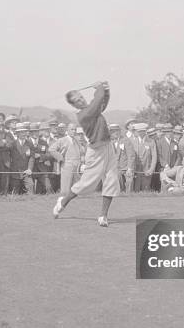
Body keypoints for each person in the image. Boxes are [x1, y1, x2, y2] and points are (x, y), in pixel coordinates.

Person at [53, 81, 120, 227]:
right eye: (77, 100)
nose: (81, 100)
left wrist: (106, 91)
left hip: (108, 147)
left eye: (81, 97)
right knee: (86, 184)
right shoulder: (83, 115)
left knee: (112, 180)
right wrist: (100, 88)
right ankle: (63, 201)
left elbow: (102, 103)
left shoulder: (91, 108)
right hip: (95, 152)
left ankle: (103, 216)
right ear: (74, 105)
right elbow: (97, 101)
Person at [49, 123, 84, 195]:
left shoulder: (77, 140)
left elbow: (82, 152)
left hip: (77, 167)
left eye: (75, 130)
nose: (74, 131)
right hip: (66, 166)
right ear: (67, 130)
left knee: (77, 189)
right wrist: (60, 158)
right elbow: (51, 149)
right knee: (65, 189)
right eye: (72, 129)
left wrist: (82, 163)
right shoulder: (62, 140)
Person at [8, 123, 35, 194]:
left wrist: (29, 169)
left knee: (31, 185)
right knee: (14, 191)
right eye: (21, 132)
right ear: (17, 133)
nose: (24, 134)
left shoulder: (29, 144)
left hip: (26, 172)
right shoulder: (12, 144)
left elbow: (32, 158)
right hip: (15, 172)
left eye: (24, 132)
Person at [109, 123, 136, 193]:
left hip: (126, 168)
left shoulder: (125, 140)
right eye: (112, 131)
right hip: (115, 169)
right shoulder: (108, 142)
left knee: (129, 182)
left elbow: (131, 155)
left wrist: (129, 168)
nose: (114, 133)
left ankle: (129, 197)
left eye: (116, 131)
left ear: (119, 131)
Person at [133, 123, 157, 192]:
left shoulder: (151, 141)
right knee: (135, 191)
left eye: (142, 131)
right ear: (137, 132)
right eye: (139, 131)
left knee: (145, 190)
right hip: (136, 171)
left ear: (145, 131)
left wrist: (151, 169)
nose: (141, 133)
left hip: (147, 170)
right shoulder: (132, 141)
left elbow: (154, 157)